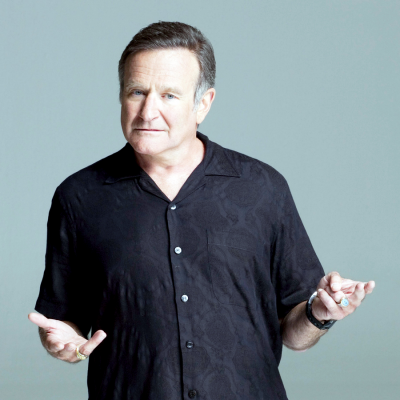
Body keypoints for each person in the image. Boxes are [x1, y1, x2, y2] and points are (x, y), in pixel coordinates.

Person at [28, 21, 375, 400]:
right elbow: (61, 319)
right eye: (137, 92)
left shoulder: (262, 188)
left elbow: (294, 335)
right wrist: (64, 344)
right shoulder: (79, 197)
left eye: (169, 95)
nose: (148, 111)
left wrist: (317, 314)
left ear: (203, 103)